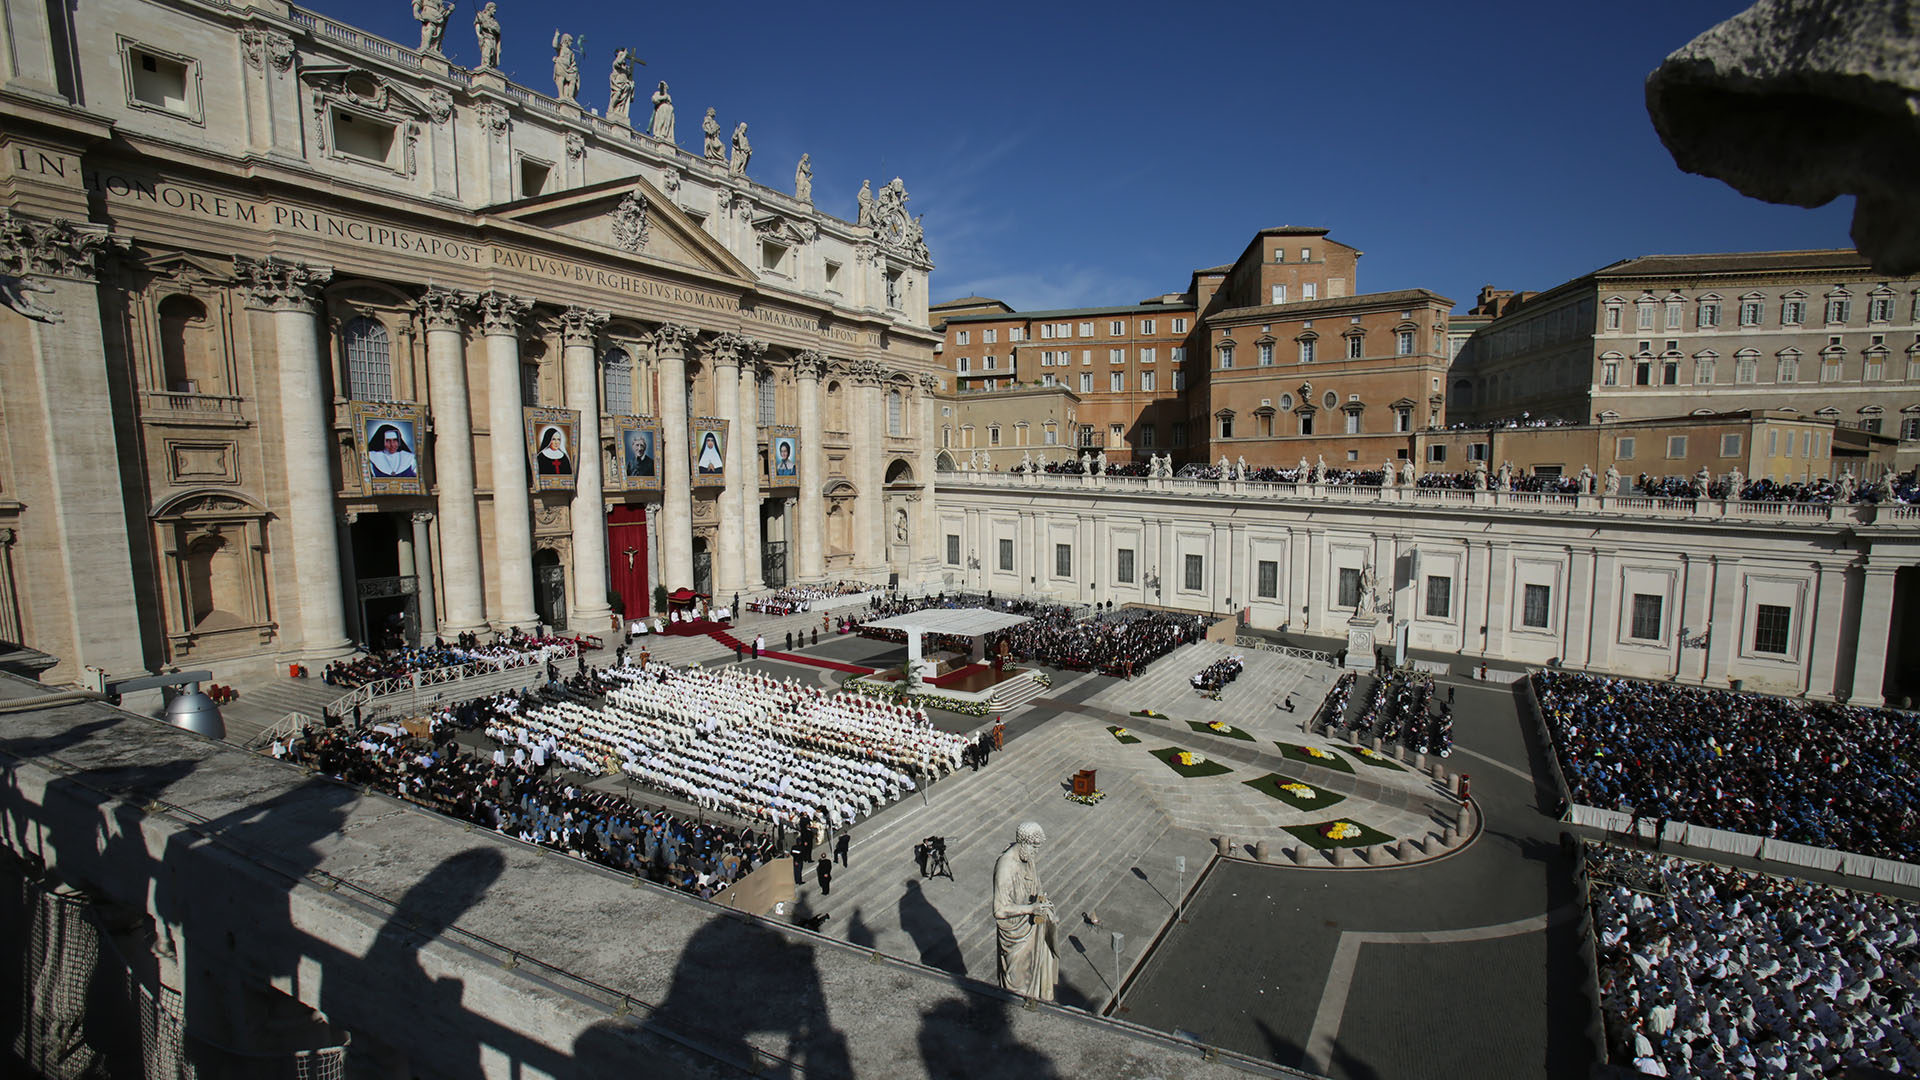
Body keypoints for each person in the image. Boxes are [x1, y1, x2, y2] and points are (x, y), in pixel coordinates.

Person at [993, 822, 1058, 1001]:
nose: (1036, 852)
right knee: (1017, 982)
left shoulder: (1026, 856)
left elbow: (1034, 885)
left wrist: (1042, 902)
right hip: (1015, 935)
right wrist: (1031, 908)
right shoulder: (1006, 867)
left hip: (1030, 926)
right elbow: (999, 910)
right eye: (1034, 847)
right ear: (1023, 843)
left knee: (1031, 975)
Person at [473, 1, 500, 67]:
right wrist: (479, 35)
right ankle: (486, 64)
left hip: (493, 38)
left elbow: (498, 30)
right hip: (486, 36)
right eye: (493, 9)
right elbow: (477, 25)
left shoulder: (494, 21)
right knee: (487, 49)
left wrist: (490, 27)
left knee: (493, 52)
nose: (495, 11)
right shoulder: (481, 15)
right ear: (489, 8)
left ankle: (490, 65)